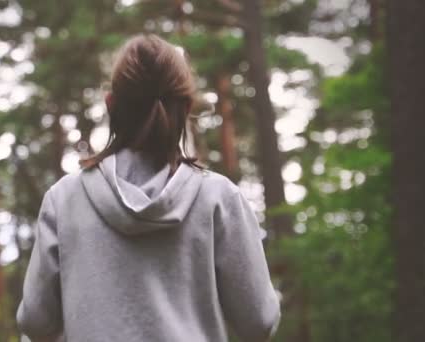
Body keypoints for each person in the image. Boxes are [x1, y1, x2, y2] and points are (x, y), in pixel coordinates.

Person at [16, 34, 281, 342]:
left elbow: (35, 322)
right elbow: (259, 321)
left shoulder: (64, 200)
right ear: (185, 104)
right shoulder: (219, 198)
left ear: (111, 103)